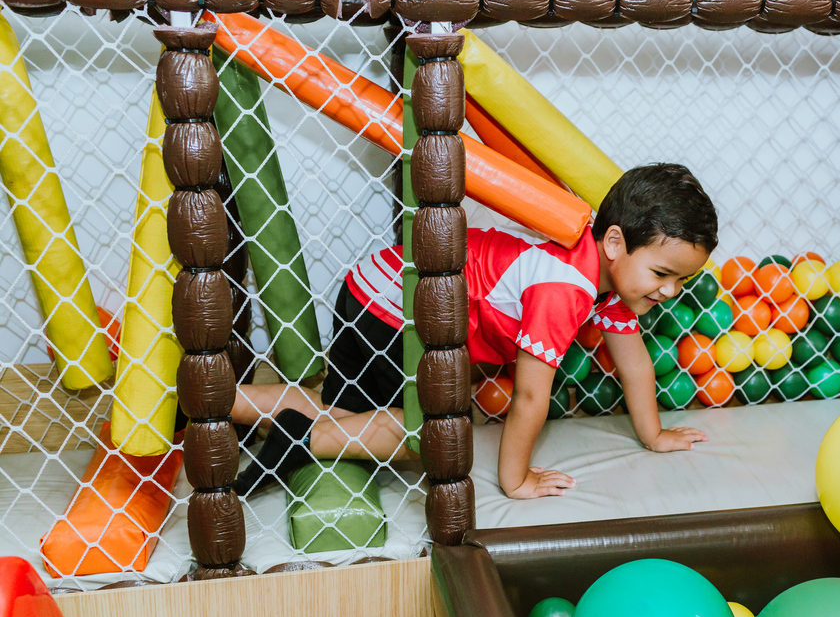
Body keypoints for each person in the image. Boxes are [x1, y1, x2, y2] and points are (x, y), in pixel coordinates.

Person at [230, 162, 720, 499]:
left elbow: (634, 364)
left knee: (341, 409)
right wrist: (516, 480)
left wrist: (654, 436)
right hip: (395, 309)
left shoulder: (605, 281)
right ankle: (300, 442)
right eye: (662, 274)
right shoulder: (565, 288)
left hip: (371, 287)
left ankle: (220, 401)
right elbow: (531, 398)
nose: (671, 291)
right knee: (436, 432)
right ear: (615, 242)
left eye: (681, 279)